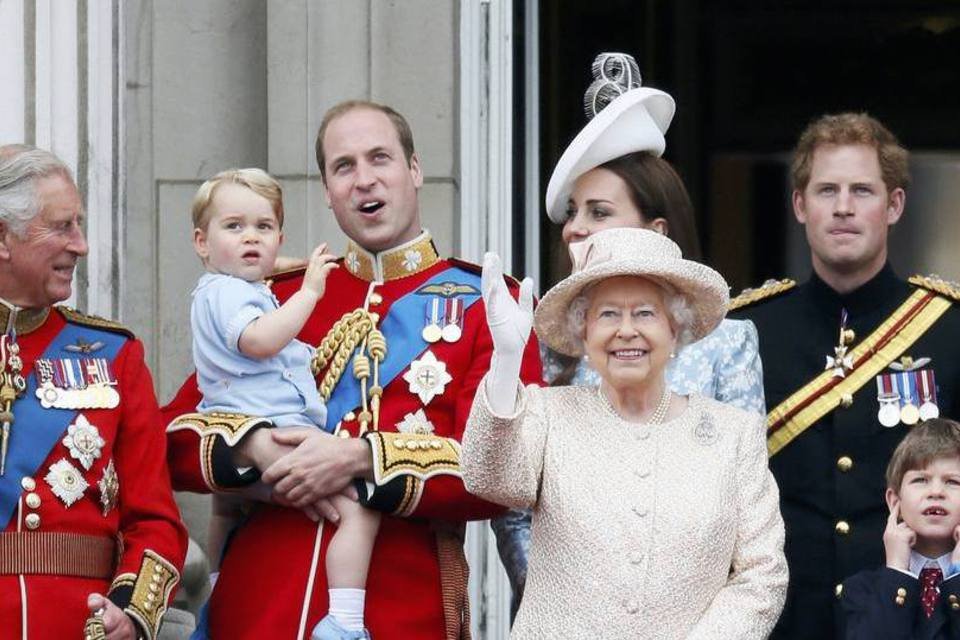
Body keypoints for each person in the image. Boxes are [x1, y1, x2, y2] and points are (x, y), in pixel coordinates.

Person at [163, 100, 544, 639]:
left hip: (399, 613)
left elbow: (507, 474)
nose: (364, 180)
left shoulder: (487, 305)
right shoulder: (280, 297)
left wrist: (359, 457)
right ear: (327, 189)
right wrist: (254, 449)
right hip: (258, 610)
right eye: (344, 166)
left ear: (414, 170)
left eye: (380, 159)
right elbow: (166, 437)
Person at [492, 51, 766, 616]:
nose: (574, 227)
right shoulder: (540, 342)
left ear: (655, 230)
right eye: (573, 211)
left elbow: (747, 533)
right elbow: (512, 506)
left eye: (597, 211)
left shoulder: (729, 343)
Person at [462, 227, 787, 637]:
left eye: (645, 313)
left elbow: (763, 574)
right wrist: (506, 361)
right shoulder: (547, 412)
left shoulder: (733, 434)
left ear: (676, 329)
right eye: (608, 314)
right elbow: (487, 477)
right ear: (584, 332)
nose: (626, 330)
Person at [730, 112, 960, 639]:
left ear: (894, 205)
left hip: (914, 621)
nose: (843, 207)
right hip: (781, 621)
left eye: (862, 190)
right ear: (799, 205)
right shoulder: (746, 331)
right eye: (826, 189)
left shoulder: (948, 330)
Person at [0, 145, 187, 639]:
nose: (80, 245)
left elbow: (156, 520)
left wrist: (131, 611)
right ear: (3, 237)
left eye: (78, 225)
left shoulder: (114, 355)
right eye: (62, 226)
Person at [187, 168, 379, 639]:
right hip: (272, 428)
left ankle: (214, 586)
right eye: (234, 227)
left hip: (234, 428)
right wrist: (312, 289)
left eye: (263, 228)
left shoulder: (228, 286)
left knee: (225, 512)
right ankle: (346, 624)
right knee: (358, 507)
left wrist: (290, 265)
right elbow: (260, 339)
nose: (251, 238)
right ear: (201, 242)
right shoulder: (235, 294)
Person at [842, 418, 960, 639]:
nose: (936, 491)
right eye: (920, 480)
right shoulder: (862, 589)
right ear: (894, 501)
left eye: (953, 482)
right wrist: (897, 572)